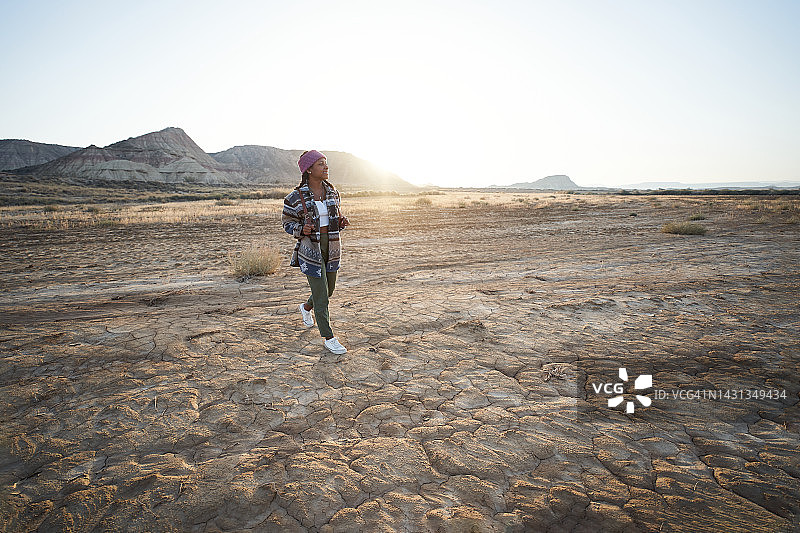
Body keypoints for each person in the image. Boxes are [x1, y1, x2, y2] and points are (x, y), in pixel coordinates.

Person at [282, 150, 350, 355]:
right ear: (309, 169)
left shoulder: (332, 192)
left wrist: (340, 222)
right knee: (322, 296)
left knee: (328, 290)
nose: (326, 167)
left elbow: (332, 218)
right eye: (321, 164)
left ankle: (306, 307)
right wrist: (300, 229)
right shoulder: (295, 197)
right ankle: (328, 337)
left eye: (326, 163)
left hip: (332, 246)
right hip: (310, 249)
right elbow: (287, 223)